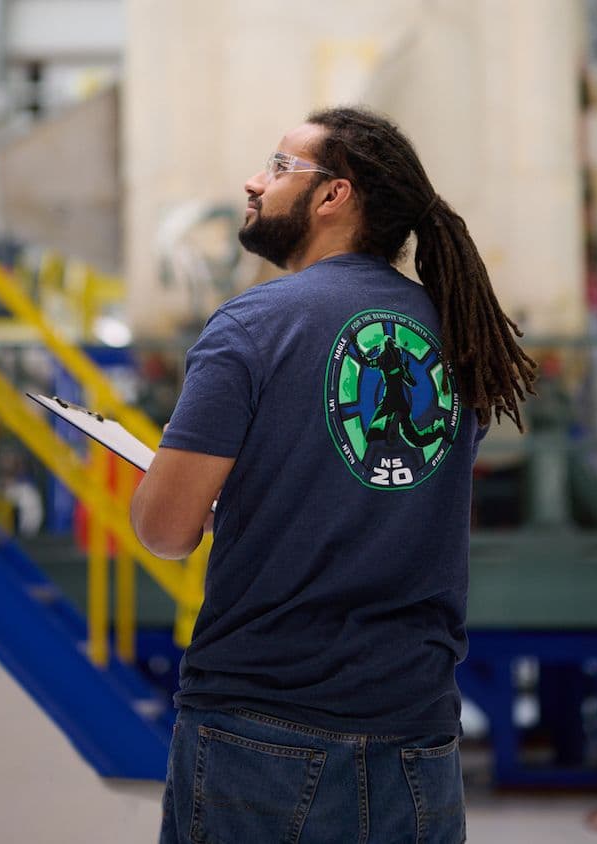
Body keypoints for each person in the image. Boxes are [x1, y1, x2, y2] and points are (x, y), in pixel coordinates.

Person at [131, 106, 536, 843]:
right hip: (416, 736)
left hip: (261, 727)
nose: (255, 181)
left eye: (280, 167)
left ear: (333, 197)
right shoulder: (456, 333)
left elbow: (164, 531)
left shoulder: (252, 325)